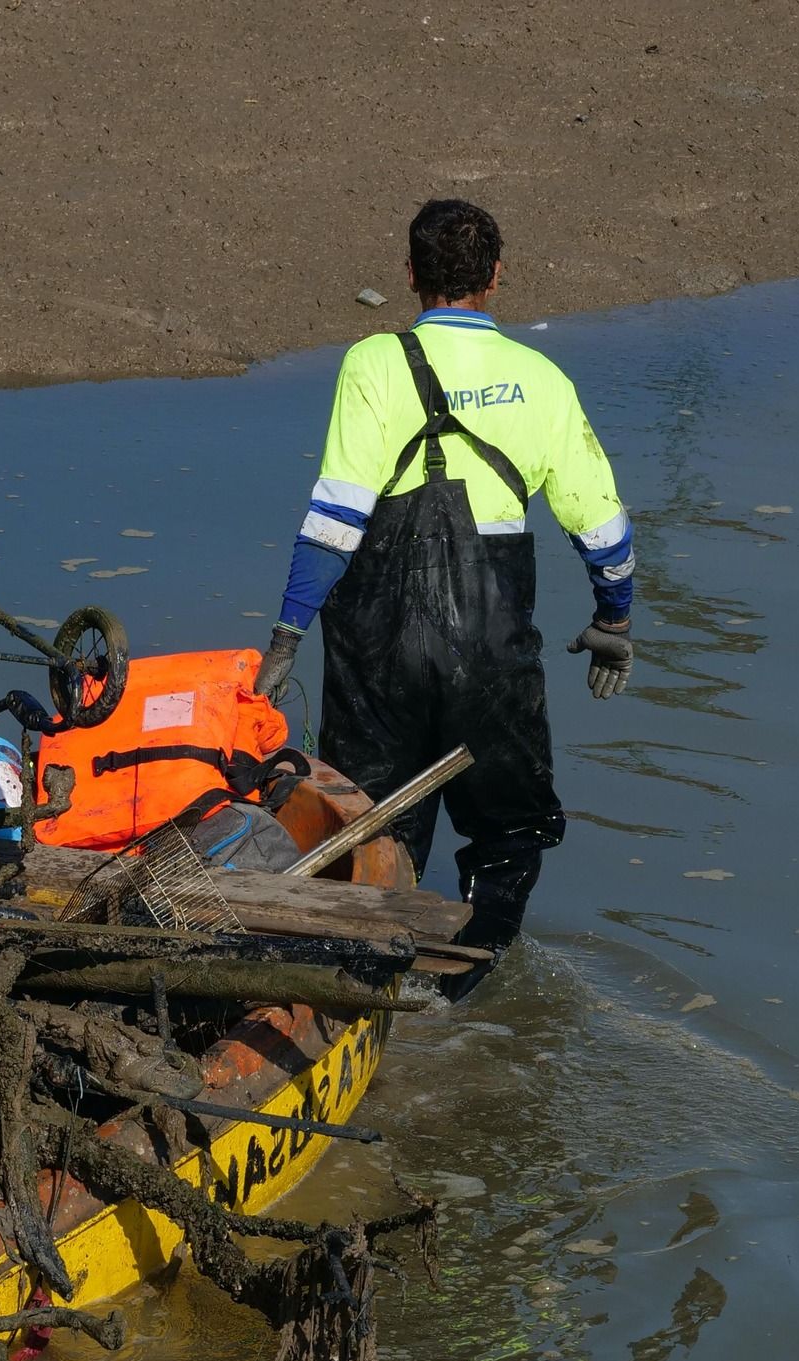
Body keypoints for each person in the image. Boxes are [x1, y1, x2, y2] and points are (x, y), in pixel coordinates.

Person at [252, 199, 636, 997]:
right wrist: (613, 618)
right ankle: (462, 982)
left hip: (377, 654)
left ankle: (369, 992)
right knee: (509, 829)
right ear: (497, 278)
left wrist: (288, 634)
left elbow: (335, 518)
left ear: (411, 276)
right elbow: (601, 526)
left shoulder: (372, 364)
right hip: (492, 652)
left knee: (374, 832)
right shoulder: (543, 379)